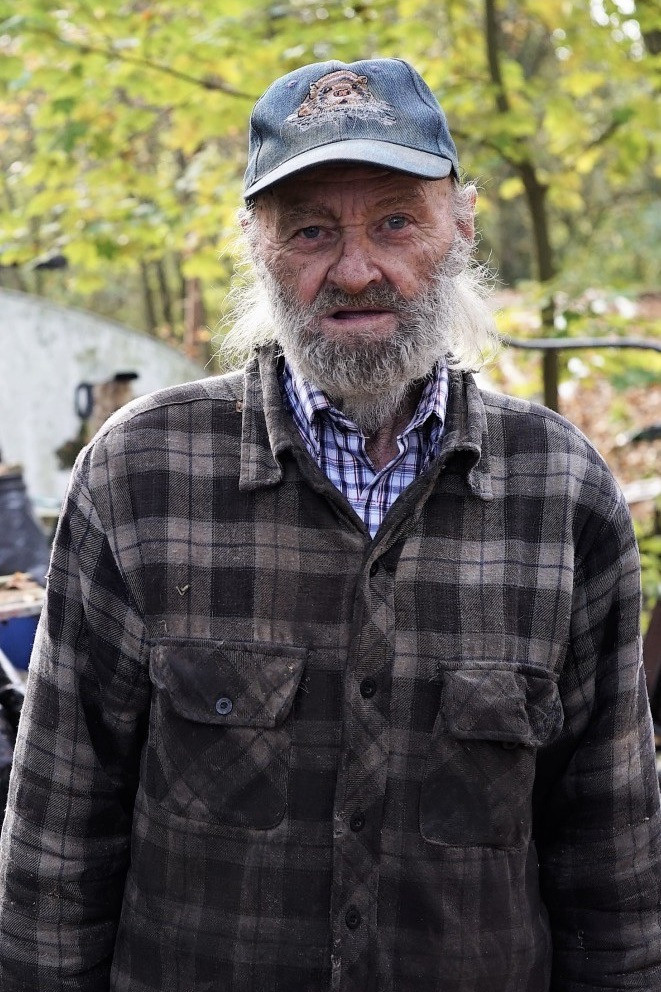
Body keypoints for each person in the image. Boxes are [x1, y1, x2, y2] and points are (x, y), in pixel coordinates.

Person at [0, 57, 659, 992]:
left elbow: (611, 855)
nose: (355, 271)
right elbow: (57, 841)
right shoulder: (140, 473)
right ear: (254, 246)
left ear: (461, 225)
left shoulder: (562, 489)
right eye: (310, 231)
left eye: (395, 222)